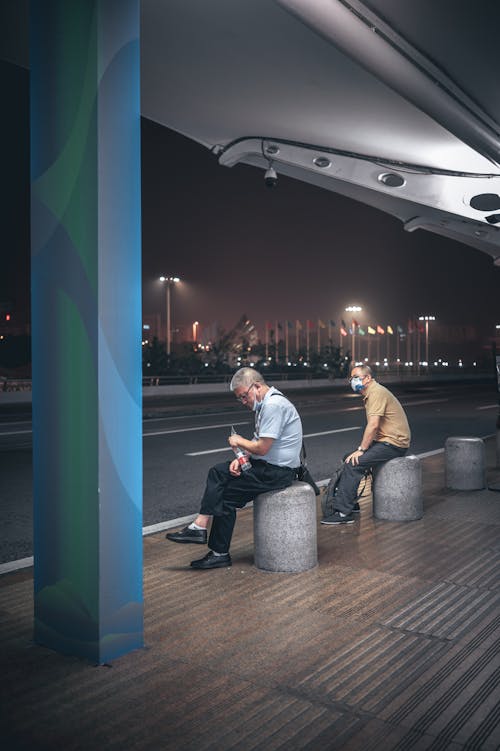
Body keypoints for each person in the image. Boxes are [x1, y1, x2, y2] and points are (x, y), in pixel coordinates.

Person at [166, 367, 303, 569]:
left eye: (243, 396)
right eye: (239, 399)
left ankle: (204, 533)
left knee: (221, 488)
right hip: (268, 467)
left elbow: (263, 448)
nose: (243, 402)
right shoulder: (266, 404)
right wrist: (243, 457)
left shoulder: (273, 405)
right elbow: (259, 443)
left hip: (277, 473)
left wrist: (239, 441)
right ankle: (209, 540)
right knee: (222, 482)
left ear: (256, 386)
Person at [321, 364, 411, 525]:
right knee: (347, 457)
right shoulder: (371, 393)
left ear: (368, 378)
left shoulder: (376, 393)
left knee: (354, 464)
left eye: (356, 377)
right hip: (386, 441)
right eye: (351, 378)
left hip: (394, 443)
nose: (352, 381)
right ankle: (351, 503)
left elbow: (373, 425)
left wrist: (362, 450)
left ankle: (343, 513)